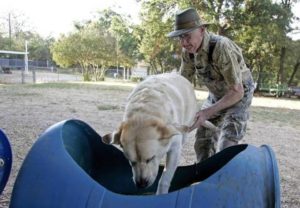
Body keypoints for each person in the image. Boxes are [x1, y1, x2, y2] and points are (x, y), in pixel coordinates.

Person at [167, 8, 255, 162]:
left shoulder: (221, 47)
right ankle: (205, 178)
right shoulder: (188, 52)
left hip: (239, 93)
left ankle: (224, 179)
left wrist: (206, 113)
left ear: (201, 30)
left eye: (187, 36)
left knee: (227, 145)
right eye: (180, 38)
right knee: (203, 141)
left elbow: (237, 91)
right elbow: (183, 85)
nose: (184, 43)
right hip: (217, 94)